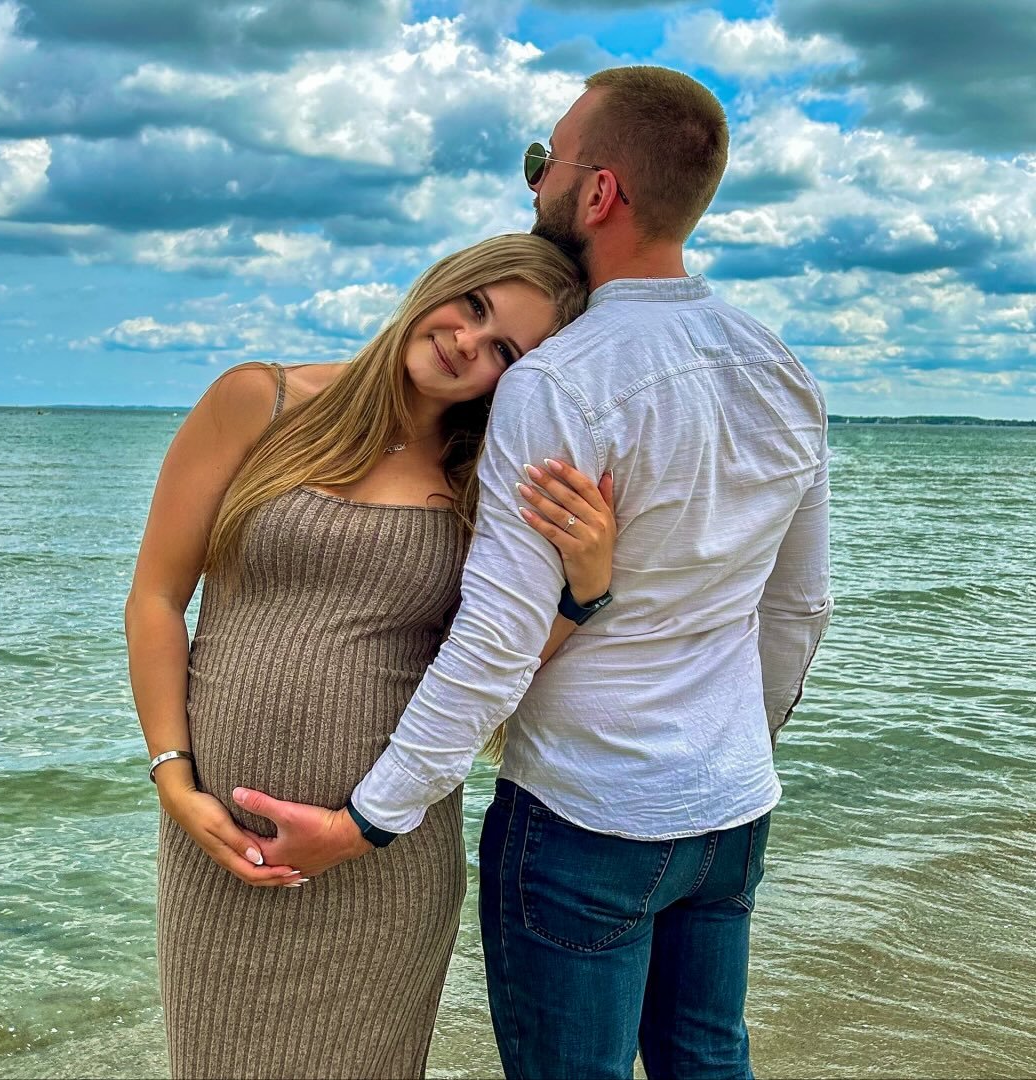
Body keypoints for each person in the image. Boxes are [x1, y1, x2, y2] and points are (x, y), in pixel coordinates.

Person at [236, 66, 833, 1080]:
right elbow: (800, 607)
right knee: (708, 1060)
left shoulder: (559, 380)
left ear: (598, 192)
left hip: (589, 810)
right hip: (731, 807)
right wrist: (738, 744)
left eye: (542, 162)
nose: (534, 183)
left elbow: (497, 638)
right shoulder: (781, 368)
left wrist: (368, 819)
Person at [124, 232, 620, 1080]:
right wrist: (172, 777)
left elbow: (491, 664)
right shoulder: (259, 402)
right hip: (223, 851)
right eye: (473, 306)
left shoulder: (482, 480)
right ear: (442, 284)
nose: (468, 342)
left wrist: (585, 591)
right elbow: (156, 599)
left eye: (504, 350)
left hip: (381, 864)